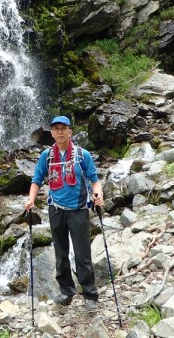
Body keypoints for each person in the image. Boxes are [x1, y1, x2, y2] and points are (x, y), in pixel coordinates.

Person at [24, 115, 104, 311]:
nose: (59, 131)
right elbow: (37, 180)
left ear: (70, 132)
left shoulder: (82, 155)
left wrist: (98, 194)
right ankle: (66, 291)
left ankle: (90, 295)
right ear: (51, 133)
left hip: (78, 210)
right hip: (56, 209)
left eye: (63, 128)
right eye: (56, 128)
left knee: (82, 254)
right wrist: (31, 200)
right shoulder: (47, 156)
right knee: (61, 252)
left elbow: (94, 180)